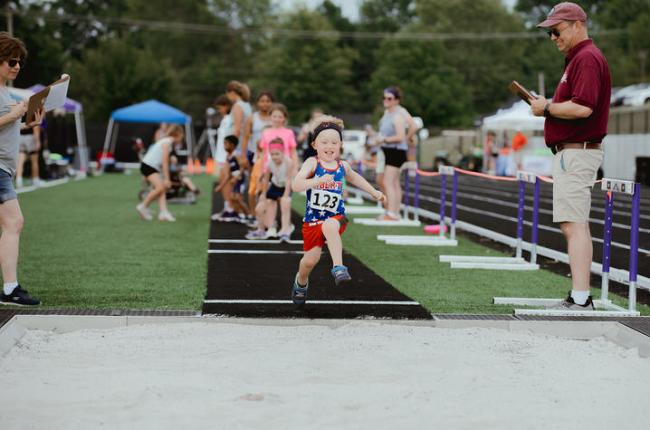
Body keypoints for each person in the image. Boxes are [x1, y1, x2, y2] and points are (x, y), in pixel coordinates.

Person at [531, 2, 611, 310]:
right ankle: (579, 296)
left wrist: (547, 107)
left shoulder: (587, 58)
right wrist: (547, 107)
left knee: (574, 224)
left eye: (556, 30)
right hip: (574, 152)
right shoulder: (578, 58)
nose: (552, 37)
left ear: (577, 24)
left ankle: (581, 298)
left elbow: (583, 107)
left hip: (578, 152)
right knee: (571, 223)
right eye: (549, 32)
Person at [290, 115, 385, 306]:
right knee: (309, 261)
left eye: (334, 142)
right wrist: (317, 181)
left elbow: (356, 178)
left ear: (340, 145)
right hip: (312, 221)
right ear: (315, 144)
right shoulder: (312, 163)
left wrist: (374, 192)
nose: (329, 146)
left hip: (337, 217)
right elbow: (296, 185)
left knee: (330, 225)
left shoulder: (343, 166)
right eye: (324, 142)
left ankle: (338, 267)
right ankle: (301, 282)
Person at [0, 32, 42, 306]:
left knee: (9, 224)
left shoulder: (6, 91)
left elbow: (7, 125)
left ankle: (9, 288)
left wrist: (28, 122)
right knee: (14, 222)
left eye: (19, 63)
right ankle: (10, 288)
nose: (16, 66)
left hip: (4, 168)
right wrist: (15, 115)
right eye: (11, 61)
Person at [246, 138, 296, 241]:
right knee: (260, 207)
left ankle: (285, 231)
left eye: (277, 154)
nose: (274, 157)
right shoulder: (269, 162)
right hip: (274, 185)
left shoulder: (288, 162)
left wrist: (286, 195)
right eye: (272, 154)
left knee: (285, 204)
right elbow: (266, 179)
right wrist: (264, 194)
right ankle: (261, 230)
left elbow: (288, 180)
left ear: (282, 152)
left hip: (285, 187)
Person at [136, 124, 185, 222]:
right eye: (182, 135)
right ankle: (143, 206)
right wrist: (167, 178)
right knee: (161, 187)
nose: (182, 138)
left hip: (150, 166)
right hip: (148, 166)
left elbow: (163, 161)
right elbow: (164, 162)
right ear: (178, 134)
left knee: (161, 189)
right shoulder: (167, 142)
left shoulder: (166, 142)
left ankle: (163, 213)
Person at [375, 86, 408, 221]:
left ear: (396, 100)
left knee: (388, 182)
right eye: (384, 97)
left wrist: (384, 139)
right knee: (393, 183)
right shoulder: (387, 114)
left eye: (389, 98)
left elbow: (400, 136)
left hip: (396, 151)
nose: (386, 100)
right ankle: (395, 213)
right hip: (390, 151)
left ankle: (391, 213)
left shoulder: (398, 116)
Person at [241, 91, 274, 215]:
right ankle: (253, 214)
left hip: (272, 157)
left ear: (272, 103)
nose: (265, 104)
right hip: (254, 156)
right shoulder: (252, 118)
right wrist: (243, 156)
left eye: (267, 101)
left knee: (270, 185)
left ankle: (267, 214)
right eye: (262, 101)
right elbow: (245, 138)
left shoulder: (275, 118)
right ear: (257, 103)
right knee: (253, 185)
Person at [213, 135, 251, 223]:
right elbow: (228, 171)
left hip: (240, 179)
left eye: (226, 143)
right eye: (224, 143)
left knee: (238, 198)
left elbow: (243, 167)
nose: (224, 146)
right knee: (233, 198)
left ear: (232, 145)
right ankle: (238, 213)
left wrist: (236, 178)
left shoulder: (237, 155)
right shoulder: (228, 156)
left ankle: (249, 215)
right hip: (235, 179)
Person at [15, 124, 41, 188]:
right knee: (34, 161)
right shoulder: (32, 113)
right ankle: (36, 180)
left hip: (20, 137)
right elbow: (36, 126)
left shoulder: (19, 113)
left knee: (20, 161)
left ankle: (19, 180)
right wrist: (37, 141)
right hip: (30, 137)